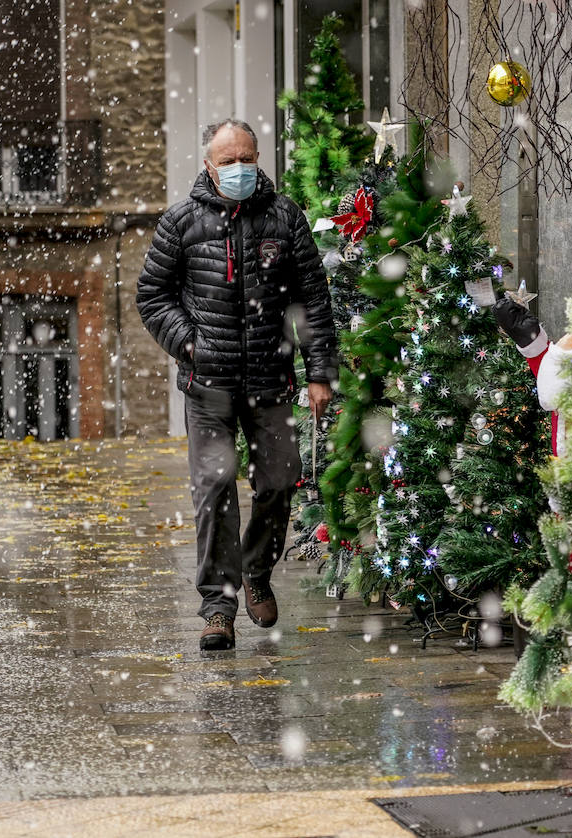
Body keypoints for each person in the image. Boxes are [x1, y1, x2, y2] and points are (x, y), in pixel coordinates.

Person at [137, 119, 335, 651]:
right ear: (208, 165)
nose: (239, 169)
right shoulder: (181, 221)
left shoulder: (284, 218)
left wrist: (319, 372)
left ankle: (256, 570)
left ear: (258, 158)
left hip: (271, 380)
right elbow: (152, 297)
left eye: (246, 158)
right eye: (228, 161)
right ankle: (218, 607)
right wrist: (190, 344)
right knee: (215, 491)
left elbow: (313, 301)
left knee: (278, 482)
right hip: (208, 385)